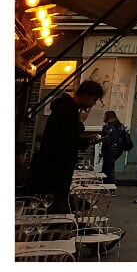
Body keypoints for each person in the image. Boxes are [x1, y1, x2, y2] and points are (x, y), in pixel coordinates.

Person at [25, 79, 105, 213]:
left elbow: (68, 139)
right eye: (93, 99)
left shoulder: (67, 110)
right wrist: (80, 123)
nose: (93, 104)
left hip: (56, 168)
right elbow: (64, 140)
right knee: (52, 208)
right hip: (55, 170)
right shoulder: (66, 111)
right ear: (85, 95)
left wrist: (85, 141)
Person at [99, 110, 128, 185]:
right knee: (109, 166)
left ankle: (109, 185)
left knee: (108, 168)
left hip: (109, 149)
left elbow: (105, 139)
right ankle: (108, 185)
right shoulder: (120, 125)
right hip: (118, 149)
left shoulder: (107, 126)